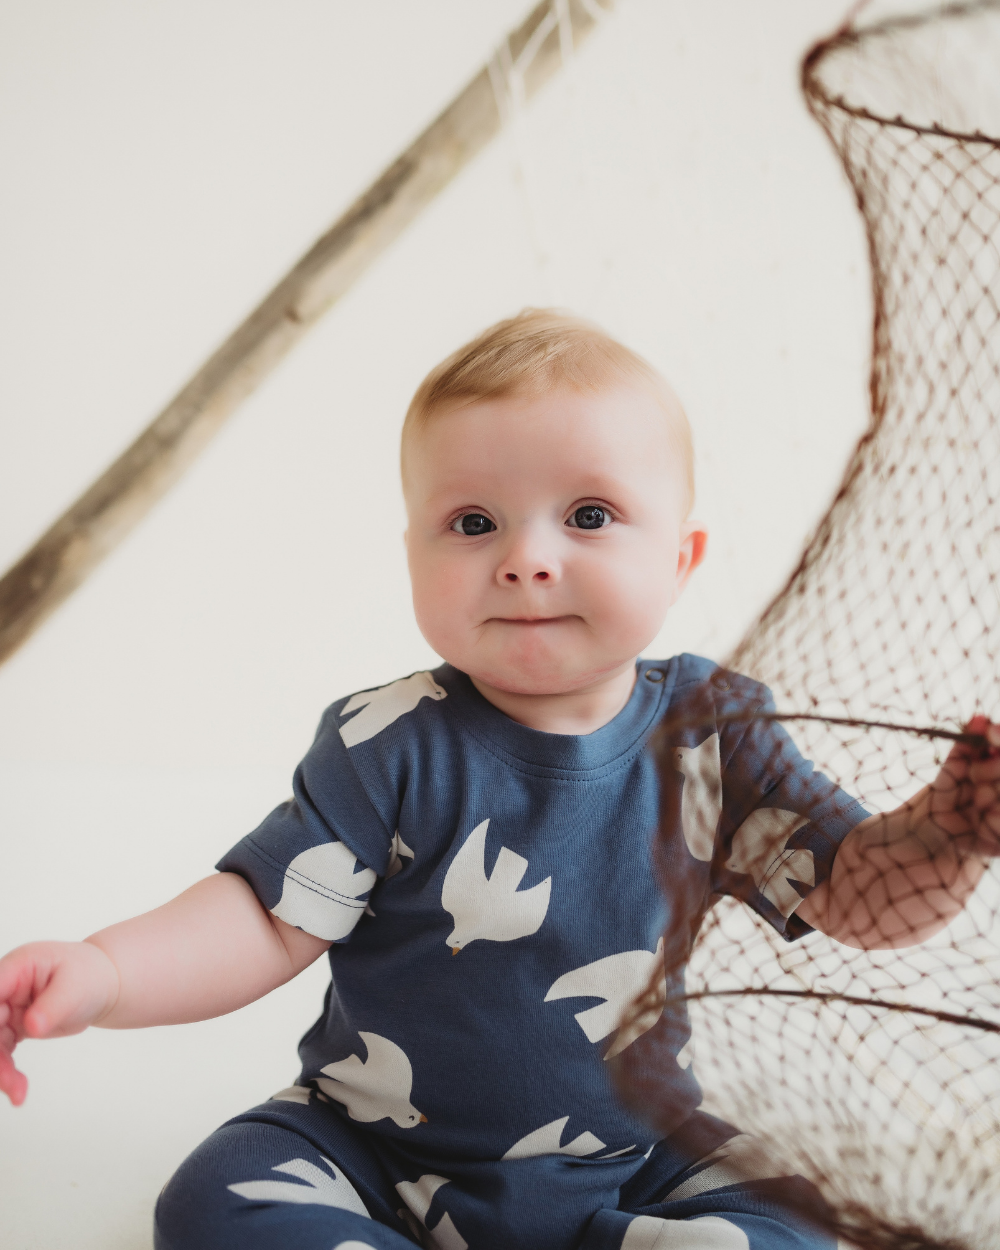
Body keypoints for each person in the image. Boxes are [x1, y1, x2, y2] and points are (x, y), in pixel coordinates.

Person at [1, 310, 997, 1250]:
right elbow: (265, 916)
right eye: (473, 521)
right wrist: (106, 971)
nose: (525, 558)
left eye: (589, 514)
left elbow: (855, 894)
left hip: (637, 1149)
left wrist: (946, 833)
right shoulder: (387, 742)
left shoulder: (715, 735)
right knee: (215, 1195)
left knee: (797, 1212)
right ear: (411, 554)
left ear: (680, 557)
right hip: (376, 1147)